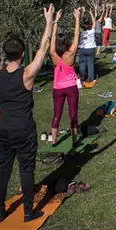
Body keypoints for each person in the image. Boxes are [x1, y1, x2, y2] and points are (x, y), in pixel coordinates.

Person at [0, 2, 55, 222]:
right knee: (26, 170)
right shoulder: (26, 75)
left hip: (4, 129)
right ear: (22, 54)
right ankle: (28, 212)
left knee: (2, 170)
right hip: (24, 130)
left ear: (6, 55)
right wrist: (48, 22)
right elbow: (44, 47)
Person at [49, 8, 80, 146]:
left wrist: (55, 22)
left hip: (57, 89)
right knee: (73, 115)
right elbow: (77, 34)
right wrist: (77, 19)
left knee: (56, 115)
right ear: (67, 43)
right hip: (71, 88)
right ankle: (74, 141)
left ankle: (54, 141)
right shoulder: (71, 55)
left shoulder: (53, 54)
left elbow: (52, 39)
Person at [78, 8, 97, 83]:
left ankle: (82, 77)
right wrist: (91, 13)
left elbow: (81, 22)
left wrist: (82, 13)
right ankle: (91, 78)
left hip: (82, 49)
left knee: (82, 63)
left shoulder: (81, 31)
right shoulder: (92, 30)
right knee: (90, 64)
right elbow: (94, 22)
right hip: (91, 49)